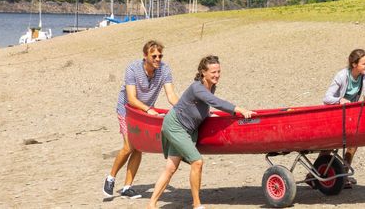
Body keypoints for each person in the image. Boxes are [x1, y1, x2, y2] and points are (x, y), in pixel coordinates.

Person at [147, 55, 254, 209]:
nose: (217, 75)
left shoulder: (211, 86)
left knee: (170, 168)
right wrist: (239, 110)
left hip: (188, 129)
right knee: (197, 162)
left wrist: (208, 114)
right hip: (176, 126)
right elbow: (215, 102)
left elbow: (203, 104)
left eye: (218, 71)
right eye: (213, 72)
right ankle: (197, 204)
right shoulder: (197, 87)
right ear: (203, 72)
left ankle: (151, 204)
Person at [103, 40, 179, 199]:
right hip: (127, 110)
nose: (158, 59)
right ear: (145, 56)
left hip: (144, 112)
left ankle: (127, 187)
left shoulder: (164, 70)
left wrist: (183, 108)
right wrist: (149, 109)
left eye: (160, 56)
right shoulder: (133, 68)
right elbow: (131, 98)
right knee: (129, 145)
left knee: (138, 147)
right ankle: (110, 178)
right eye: (154, 56)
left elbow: (171, 95)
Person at [321, 48, 365, 188]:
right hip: (334, 114)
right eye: (364, 64)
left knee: (353, 144)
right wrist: (339, 100)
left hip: (349, 115)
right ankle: (314, 174)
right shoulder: (342, 76)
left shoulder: (364, 74)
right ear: (354, 64)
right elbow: (326, 98)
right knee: (330, 145)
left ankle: (343, 174)